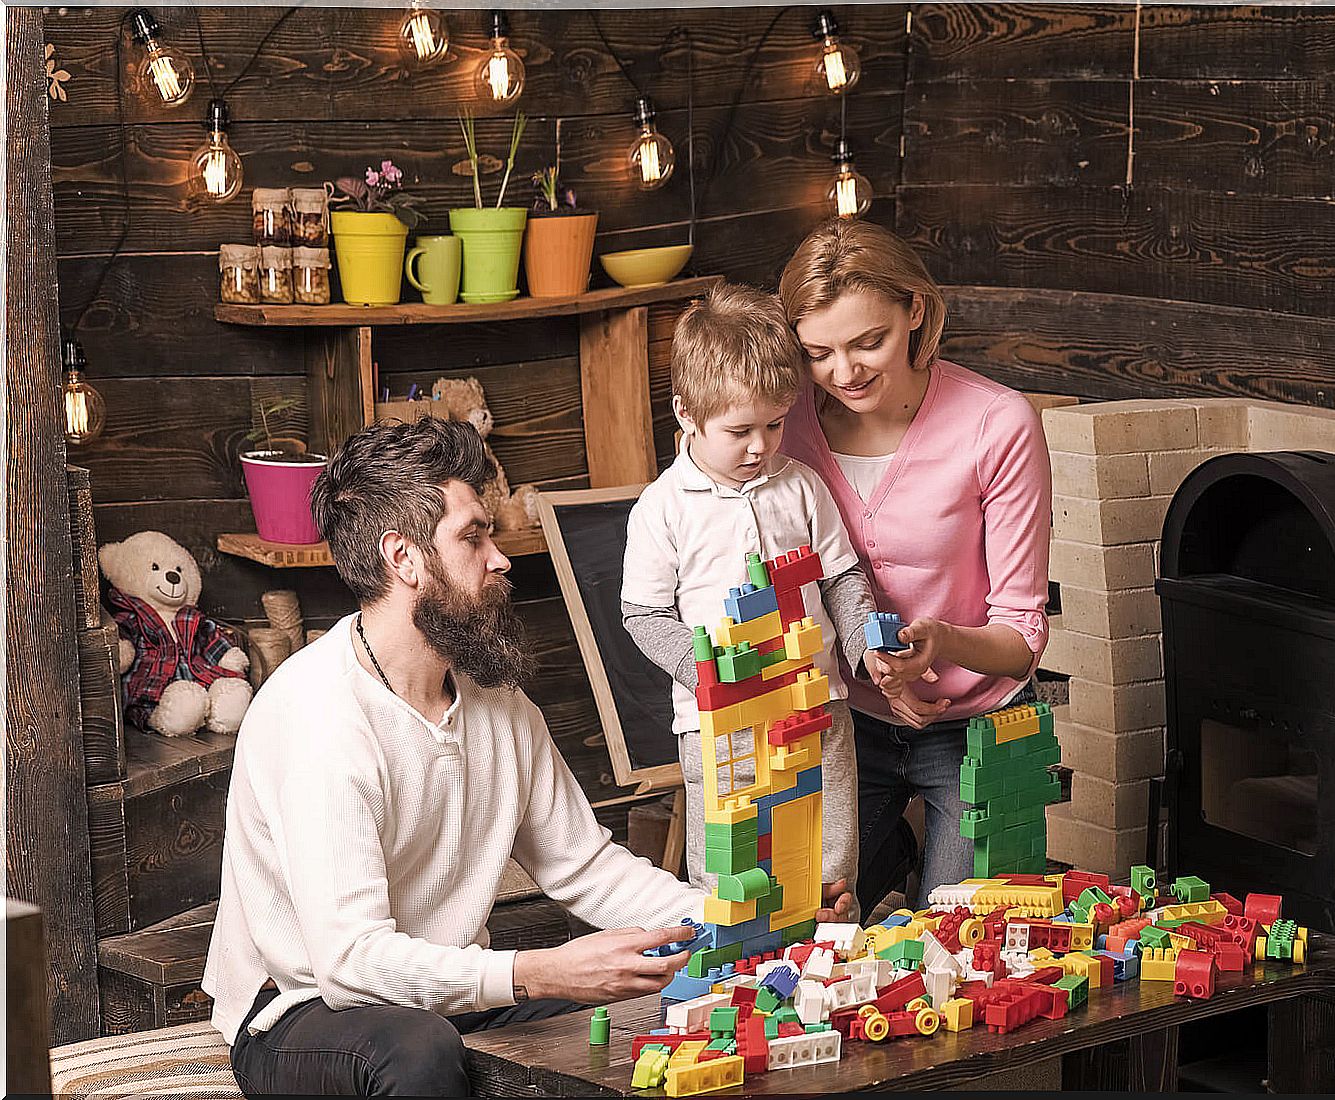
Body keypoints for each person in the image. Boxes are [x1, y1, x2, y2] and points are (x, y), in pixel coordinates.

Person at [204, 416, 707, 1097]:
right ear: (403, 558)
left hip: (444, 991)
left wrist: (735, 927)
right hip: (301, 1008)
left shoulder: (496, 703)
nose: (500, 558)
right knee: (418, 1052)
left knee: (661, 998)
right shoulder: (317, 715)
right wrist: (536, 971)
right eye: (474, 536)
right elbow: (348, 963)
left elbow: (584, 867)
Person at [778, 218, 1054, 920]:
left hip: (971, 728)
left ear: (916, 312)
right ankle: (892, 856)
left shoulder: (997, 423)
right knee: (812, 931)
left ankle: (914, 872)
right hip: (845, 725)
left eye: (869, 341)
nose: (846, 373)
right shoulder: (784, 430)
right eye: (819, 353)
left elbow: (1021, 636)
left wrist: (941, 643)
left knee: (958, 942)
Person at [621, 282, 887, 917]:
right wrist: (705, 665)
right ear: (687, 414)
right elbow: (643, 615)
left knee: (828, 866)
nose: (761, 446)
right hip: (720, 726)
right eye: (740, 430)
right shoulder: (663, 508)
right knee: (734, 872)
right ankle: (734, 977)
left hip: (817, 704)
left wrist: (860, 642)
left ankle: (829, 968)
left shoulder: (800, 486)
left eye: (775, 424)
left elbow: (842, 577)